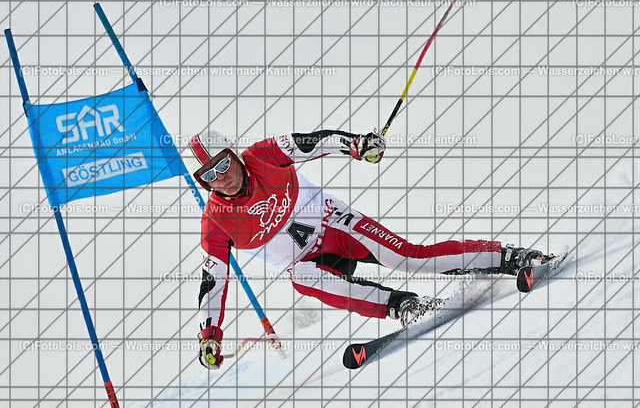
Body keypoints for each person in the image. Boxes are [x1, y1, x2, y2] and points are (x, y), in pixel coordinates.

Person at [185, 129, 549, 370]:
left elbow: (314, 142)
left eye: (223, 164)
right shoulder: (215, 222)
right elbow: (213, 281)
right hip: (313, 261)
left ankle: (508, 257)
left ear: (234, 155)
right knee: (300, 278)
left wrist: (356, 144)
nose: (222, 177)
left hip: (334, 224)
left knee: (407, 257)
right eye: (209, 175)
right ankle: (405, 306)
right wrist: (209, 336)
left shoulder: (264, 154)